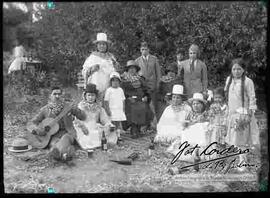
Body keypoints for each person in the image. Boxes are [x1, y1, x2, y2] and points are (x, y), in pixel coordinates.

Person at [28, 86, 86, 161]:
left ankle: (55, 153)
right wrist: (36, 130)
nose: (57, 96)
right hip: (52, 136)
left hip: (68, 133)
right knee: (54, 143)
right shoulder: (45, 110)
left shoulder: (68, 106)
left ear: (62, 95)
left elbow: (83, 117)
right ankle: (65, 155)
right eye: (55, 94)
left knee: (65, 139)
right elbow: (32, 123)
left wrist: (77, 109)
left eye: (59, 94)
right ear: (50, 96)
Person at [224, 58, 260, 171]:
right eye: (234, 69)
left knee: (242, 138)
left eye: (239, 69)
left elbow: (252, 97)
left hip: (242, 113)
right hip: (232, 113)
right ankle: (237, 157)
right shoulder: (229, 79)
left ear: (243, 69)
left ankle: (243, 161)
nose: (236, 71)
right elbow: (227, 96)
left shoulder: (248, 81)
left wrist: (250, 112)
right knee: (234, 137)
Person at [167, 93, 209, 162]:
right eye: (194, 104)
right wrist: (186, 124)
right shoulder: (191, 114)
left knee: (199, 126)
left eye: (198, 104)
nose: (195, 106)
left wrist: (191, 123)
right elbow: (188, 121)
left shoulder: (205, 113)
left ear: (202, 105)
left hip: (200, 135)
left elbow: (201, 122)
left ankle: (197, 152)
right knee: (183, 130)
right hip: (191, 135)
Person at [73, 84, 117, 151]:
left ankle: (103, 143)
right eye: (89, 95)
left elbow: (105, 119)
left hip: (95, 126)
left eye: (93, 95)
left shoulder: (99, 107)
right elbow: (77, 120)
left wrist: (109, 125)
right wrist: (82, 126)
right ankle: (89, 144)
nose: (91, 97)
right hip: (83, 126)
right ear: (85, 96)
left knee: (109, 131)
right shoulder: (81, 106)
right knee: (88, 135)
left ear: (96, 96)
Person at [81, 33, 120, 101]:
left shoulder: (111, 57)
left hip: (109, 86)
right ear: (97, 46)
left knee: (107, 105)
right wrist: (92, 69)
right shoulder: (92, 57)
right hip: (96, 86)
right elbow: (84, 71)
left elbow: (117, 70)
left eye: (104, 44)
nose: (102, 46)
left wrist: (116, 67)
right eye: (100, 44)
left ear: (107, 46)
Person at [121, 60, 153, 138]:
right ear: (127, 70)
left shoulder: (141, 79)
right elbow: (122, 91)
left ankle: (138, 128)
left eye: (133, 68)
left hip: (140, 99)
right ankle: (133, 129)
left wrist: (146, 96)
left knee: (143, 107)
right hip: (129, 99)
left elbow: (146, 89)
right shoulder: (124, 79)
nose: (132, 70)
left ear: (136, 69)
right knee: (133, 108)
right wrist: (128, 98)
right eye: (130, 68)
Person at [135, 42, 161, 130]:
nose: (144, 51)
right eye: (142, 49)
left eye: (146, 49)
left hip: (152, 86)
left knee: (153, 105)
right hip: (143, 87)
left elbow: (158, 73)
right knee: (143, 105)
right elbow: (136, 75)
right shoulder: (137, 61)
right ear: (140, 50)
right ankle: (145, 125)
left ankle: (154, 124)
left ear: (148, 50)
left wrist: (157, 84)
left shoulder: (154, 59)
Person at [104, 72, 126, 141]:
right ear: (110, 82)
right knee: (112, 123)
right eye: (113, 81)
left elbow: (123, 100)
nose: (115, 82)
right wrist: (108, 110)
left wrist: (123, 109)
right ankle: (112, 136)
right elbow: (106, 101)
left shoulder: (120, 90)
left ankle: (118, 135)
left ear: (119, 82)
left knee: (118, 123)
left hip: (119, 109)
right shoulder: (109, 90)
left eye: (117, 81)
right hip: (112, 109)